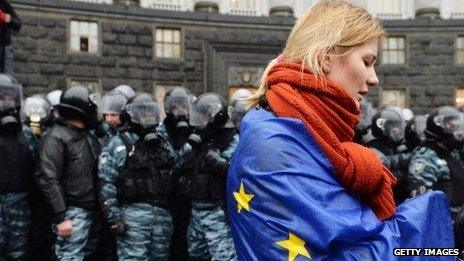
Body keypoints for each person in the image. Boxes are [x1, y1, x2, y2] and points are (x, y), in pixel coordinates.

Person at [226, 1, 454, 260]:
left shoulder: (302, 132)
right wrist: (431, 220)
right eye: (367, 61)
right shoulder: (275, 147)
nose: (374, 78)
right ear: (325, 59)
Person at [99, 93, 174, 260]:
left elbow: (176, 168)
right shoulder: (119, 144)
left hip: (162, 217)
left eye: (150, 112)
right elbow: (106, 183)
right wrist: (113, 217)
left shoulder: (162, 143)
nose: (146, 116)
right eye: (141, 112)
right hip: (132, 217)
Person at [37, 85, 103, 260]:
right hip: (72, 214)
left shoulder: (89, 136)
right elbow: (48, 178)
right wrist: (61, 217)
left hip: (93, 212)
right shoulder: (55, 137)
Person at [184, 93, 238, 260]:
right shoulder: (200, 140)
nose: (200, 120)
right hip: (196, 212)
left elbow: (240, 174)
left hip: (218, 213)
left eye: (203, 116)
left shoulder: (232, 140)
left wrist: (219, 164)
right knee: (196, 256)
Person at [0, 74, 35, 260]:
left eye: (8, 98)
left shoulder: (27, 135)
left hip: (19, 205)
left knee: (18, 254)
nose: (5, 103)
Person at [156, 87, 193, 260]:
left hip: (189, 200)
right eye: (176, 107)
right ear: (168, 109)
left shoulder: (195, 130)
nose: (180, 111)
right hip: (166, 199)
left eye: (184, 107)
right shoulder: (159, 133)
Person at [0, 0, 21, 73]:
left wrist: (7, 18)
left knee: (6, 80)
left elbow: (18, 24)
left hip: (5, 49)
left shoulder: (4, 4)